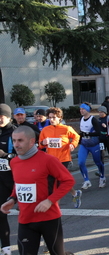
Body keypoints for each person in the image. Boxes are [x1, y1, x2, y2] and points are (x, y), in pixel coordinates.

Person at [1, 126, 75, 255]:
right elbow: (18, 184)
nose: (16, 144)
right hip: (26, 220)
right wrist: (13, 199)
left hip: (49, 219)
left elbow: (68, 181)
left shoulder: (48, 160)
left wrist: (50, 201)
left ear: (31, 141)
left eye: (20, 140)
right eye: (14, 140)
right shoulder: (14, 162)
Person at [39, 107, 82, 208]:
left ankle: (53, 205)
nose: (51, 120)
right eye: (50, 118)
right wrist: (42, 143)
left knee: (59, 182)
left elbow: (76, 137)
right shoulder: (45, 130)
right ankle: (75, 193)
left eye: (54, 117)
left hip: (63, 159)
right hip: (50, 160)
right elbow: (40, 145)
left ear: (60, 118)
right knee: (56, 182)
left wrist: (73, 144)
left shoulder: (66, 129)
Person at [0, 104, 16, 255]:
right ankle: (5, 248)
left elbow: (24, 155)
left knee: (31, 213)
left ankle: (46, 242)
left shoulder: (15, 132)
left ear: (9, 117)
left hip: (17, 180)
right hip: (2, 179)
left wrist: (5, 155)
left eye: (2, 116)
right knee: (0, 213)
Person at [78, 102, 106, 189]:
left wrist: (88, 133)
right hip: (84, 145)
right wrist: (79, 139)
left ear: (88, 110)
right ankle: (86, 180)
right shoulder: (81, 119)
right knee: (80, 162)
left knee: (98, 162)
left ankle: (102, 177)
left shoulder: (93, 120)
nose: (81, 111)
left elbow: (98, 133)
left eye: (83, 109)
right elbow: (82, 132)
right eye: (80, 109)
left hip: (94, 145)